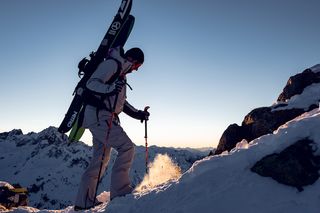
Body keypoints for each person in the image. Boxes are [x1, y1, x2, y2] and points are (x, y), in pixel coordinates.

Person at [74, 47, 149, 210]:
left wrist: (138, 114)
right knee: (127, 147)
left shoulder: (120, 72)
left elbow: (120, 103)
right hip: (100, 117)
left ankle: (83, 202)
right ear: (132, 60)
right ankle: (121, 192)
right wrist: (110, 89)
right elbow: (91, 83)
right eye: (138, 66)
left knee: (100, 160)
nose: (136, 70)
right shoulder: (112, 65)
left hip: (101, 117)